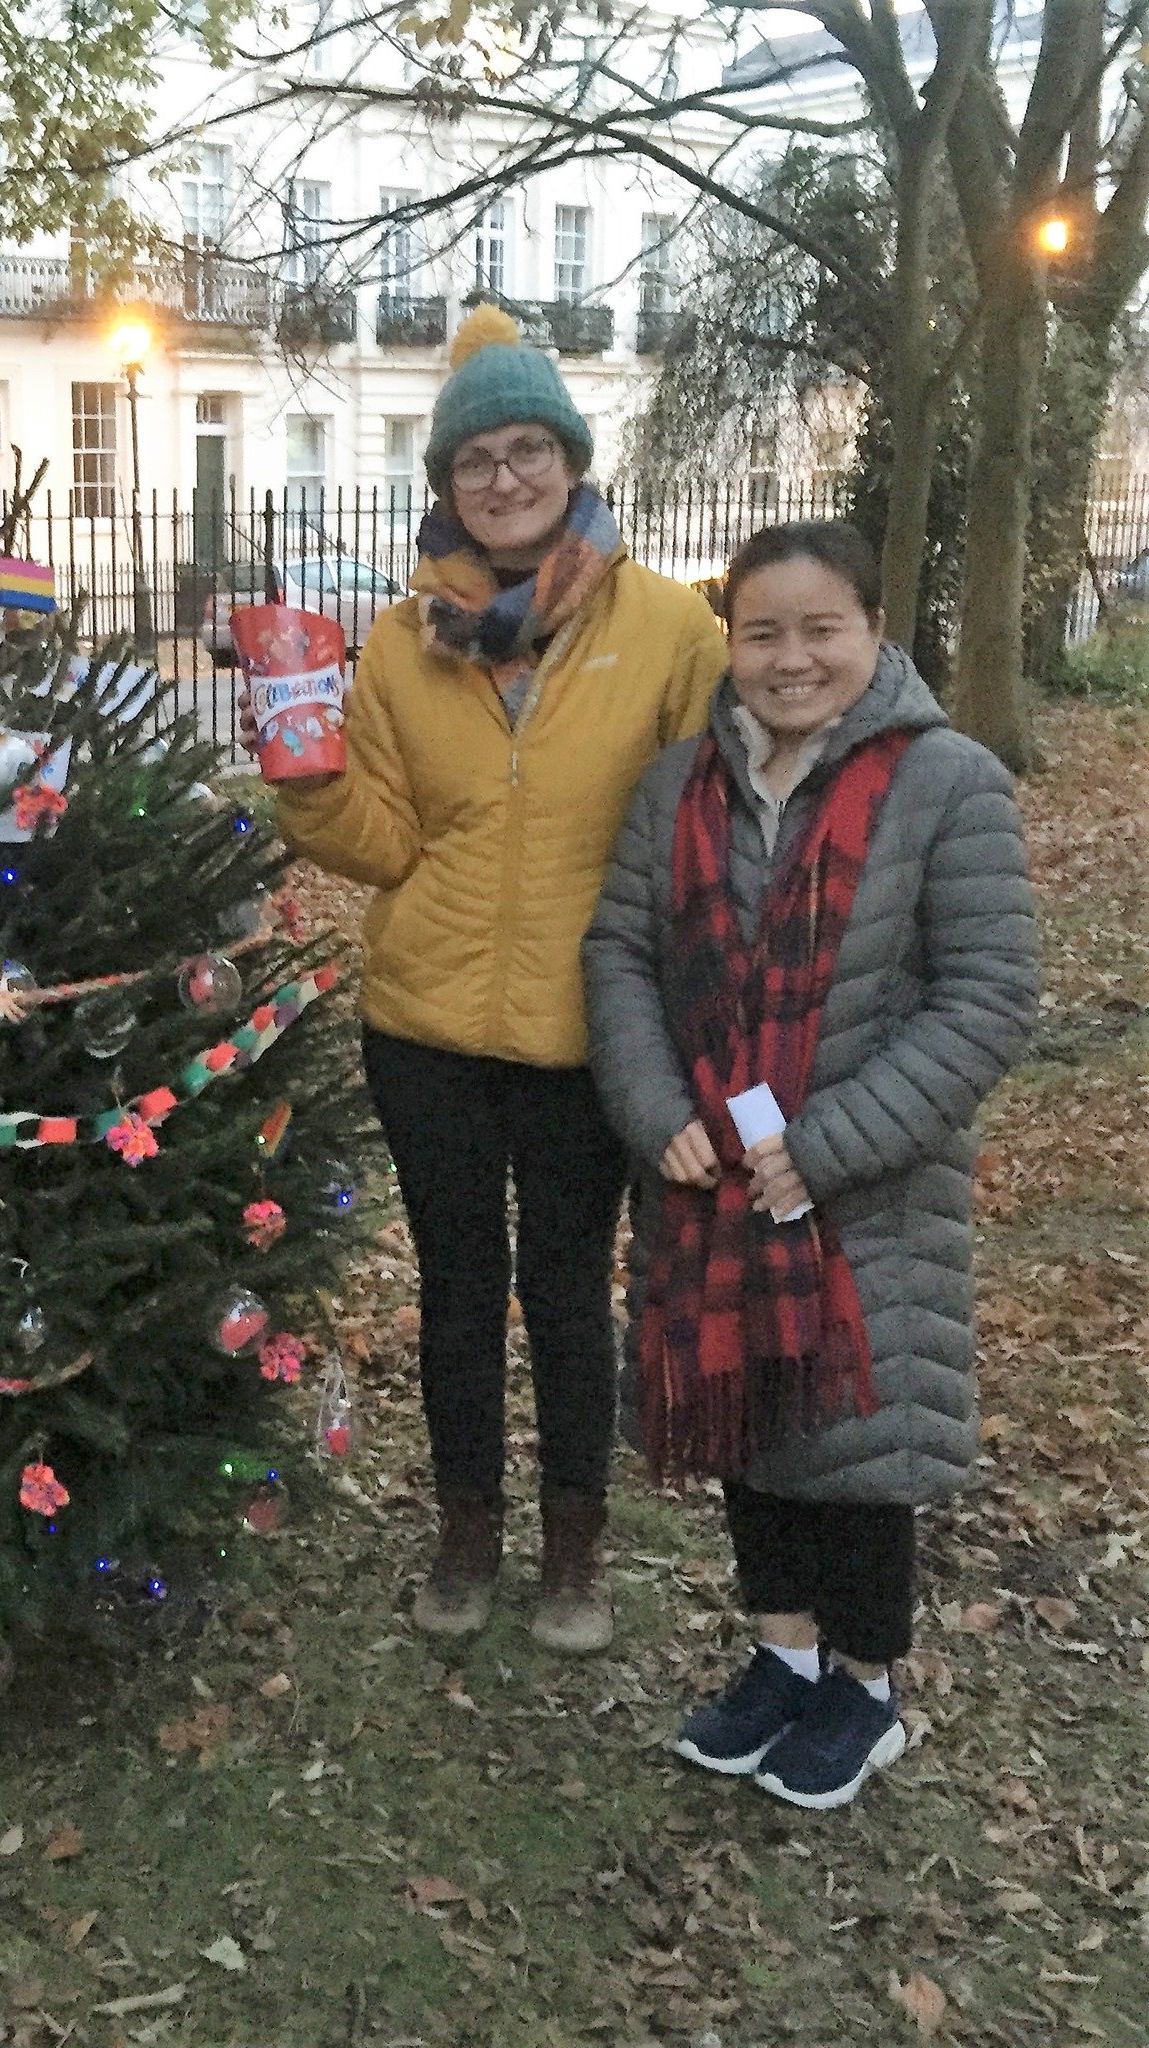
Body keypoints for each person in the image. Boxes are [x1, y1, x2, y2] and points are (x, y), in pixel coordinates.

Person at [245, 304, 727, 1650]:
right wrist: (306, 790)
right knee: (458, 1291)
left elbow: (702, 833)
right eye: (476, 460)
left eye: (529, 450)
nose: (504, 478)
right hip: (431, 1027)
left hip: (592, 1031)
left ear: (572, 461)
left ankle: (572, 1550)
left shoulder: (671, 629)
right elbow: (388, 841)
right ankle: (466, 1532)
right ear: (445, 483)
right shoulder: (404, 642)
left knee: (570, 1295)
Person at [583, 521, 1038, 1809]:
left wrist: (820, 1151)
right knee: (751, 1421)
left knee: (859, 1437)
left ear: (874, 632)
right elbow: (619, 953)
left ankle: (868, 1687)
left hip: (870, 1188)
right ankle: (782, 1659)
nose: (791, 660)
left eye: (821, 628)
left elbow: (990, 998)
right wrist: (650, 1102)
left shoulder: (949, 784)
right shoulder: (680, 787)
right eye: (763, 633)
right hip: (708, 1179)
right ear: (731, 643)